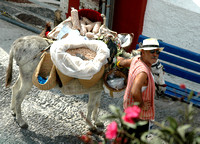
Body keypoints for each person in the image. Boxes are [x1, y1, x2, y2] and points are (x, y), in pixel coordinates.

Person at [117, 38, 164, 138]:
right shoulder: (143, 72)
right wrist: (141, 104)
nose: (155, 54)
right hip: (139, 119)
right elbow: (135, 91)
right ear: (142, 52)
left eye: (157, 52)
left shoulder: (136, 59)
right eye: (152, 51)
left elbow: (124, 62)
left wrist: (117, 62)